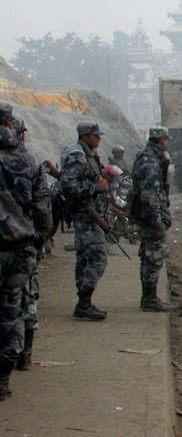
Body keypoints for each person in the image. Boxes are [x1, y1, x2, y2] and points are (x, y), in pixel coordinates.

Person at [0, 103, 51, 400]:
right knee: (11, 312)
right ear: (11, 124)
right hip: (20, 248)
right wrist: (39, 240)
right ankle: (3, 379)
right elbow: (43, 209)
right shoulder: (27, 158)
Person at [61, 120, 110, 320]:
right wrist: (95, 188)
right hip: (86, 215)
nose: (99, 138)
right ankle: (83, 302)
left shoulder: (86, 153)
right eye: (95, 135)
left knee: (84, 258)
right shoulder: (78, 156)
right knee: (98, 258)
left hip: (88, 214)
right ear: (84, 136)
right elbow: (68, 186)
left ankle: (84, 302)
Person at [132, 126, 176, 312]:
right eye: (167, 139)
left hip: (148, 216)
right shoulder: (150, 161)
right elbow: (149, 194)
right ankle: (149, 298)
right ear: (162, 140)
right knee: (153, 256)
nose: (168, 143)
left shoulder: (149, 157)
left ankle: (150, 296)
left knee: (149, 255)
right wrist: (155, 219)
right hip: (151, 218)